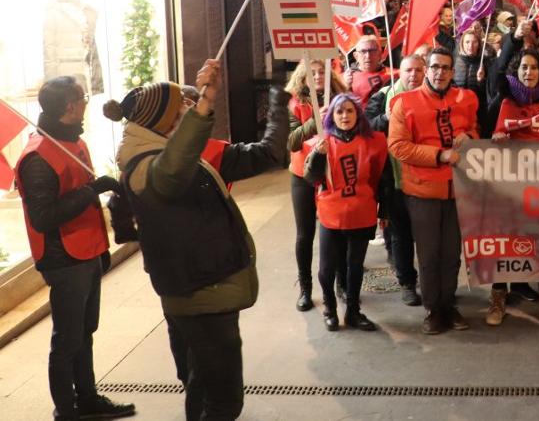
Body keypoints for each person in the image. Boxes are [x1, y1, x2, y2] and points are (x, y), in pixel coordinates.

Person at [106, 60, 270, 420]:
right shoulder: (148, 166)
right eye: (180, 105)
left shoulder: (150, 157)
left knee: (200, 383)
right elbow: (172, 173)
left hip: (201, 287)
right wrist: (206, 106)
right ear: (164, 122)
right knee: (224, 400)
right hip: (201, 290)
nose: (187, 107)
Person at [15, 77, 135, 420]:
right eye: (82, 98)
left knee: (85, 333)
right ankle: (66, 411)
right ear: (69, 107)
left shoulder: (71, 141)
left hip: (86, 251)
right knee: (67, 340)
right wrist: (92, 190)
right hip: (64, 259)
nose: (86, 102)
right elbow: (43, 217)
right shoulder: (37, 156)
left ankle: (88, 399)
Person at [388, 47, 479, 334]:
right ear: (427, 69)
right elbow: (398, 146)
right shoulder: (404, 103)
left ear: (453, 72)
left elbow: (477, 130)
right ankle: (433, 309)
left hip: (459, 191)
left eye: (446, 68)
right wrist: (438, 155)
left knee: (452, 254)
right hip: (423, 192)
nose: (440, 73)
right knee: (429, 254)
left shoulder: (467, 99)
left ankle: (448, 304)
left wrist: (471, 136)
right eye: (435, 67)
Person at [486, 48, 539, 326]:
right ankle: (498, 299)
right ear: (515, 73)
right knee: (503, 244)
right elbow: (480, 138)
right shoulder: (502, 103)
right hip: (508, 190)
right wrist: (492, 139)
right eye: (523, 68)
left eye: (533, 68)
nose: (528, 73)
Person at [304, 93, 387, 332]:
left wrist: (384, 210)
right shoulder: (322, 142)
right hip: (331, 214)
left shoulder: (374, 141)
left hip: (362, 212)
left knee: (355, 266)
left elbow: (381, 179)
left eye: (350, 111)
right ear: (332, 116)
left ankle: (353, 311)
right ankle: (330, 308)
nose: (345, 116)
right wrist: (318, 156)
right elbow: (312, 178)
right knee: (327, 268)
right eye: (339, 111)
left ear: (358, 114)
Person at [285, 59, 348, 312]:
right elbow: (292, 141)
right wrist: (315, 121)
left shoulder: (342, 97)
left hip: (334, 174)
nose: (318, 75)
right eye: (313, 71)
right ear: (303, 74)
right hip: (303, 174)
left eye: (322, 70)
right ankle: (306, 288)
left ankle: (341, 283)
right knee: (305, 234)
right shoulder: (295, 103)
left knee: (338, 231)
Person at [365, 53, 426, 306]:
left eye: (418, 71)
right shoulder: (383, 96)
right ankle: (407, 283)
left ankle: (434, 282)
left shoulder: (433, 96)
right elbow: (366, 125)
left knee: (427, 236)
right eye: (408, 70)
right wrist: (385, 119)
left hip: (426, 179)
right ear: (400, 72)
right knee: (400, 236)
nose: (413, 75)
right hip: (394, 179)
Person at [345, 34, 391, 101]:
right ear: (356, 56)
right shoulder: (346, 78)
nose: (368, 56)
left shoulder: (393, 75)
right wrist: (345, 87)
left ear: (379, 53)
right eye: (363, 51)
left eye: (372, 51)